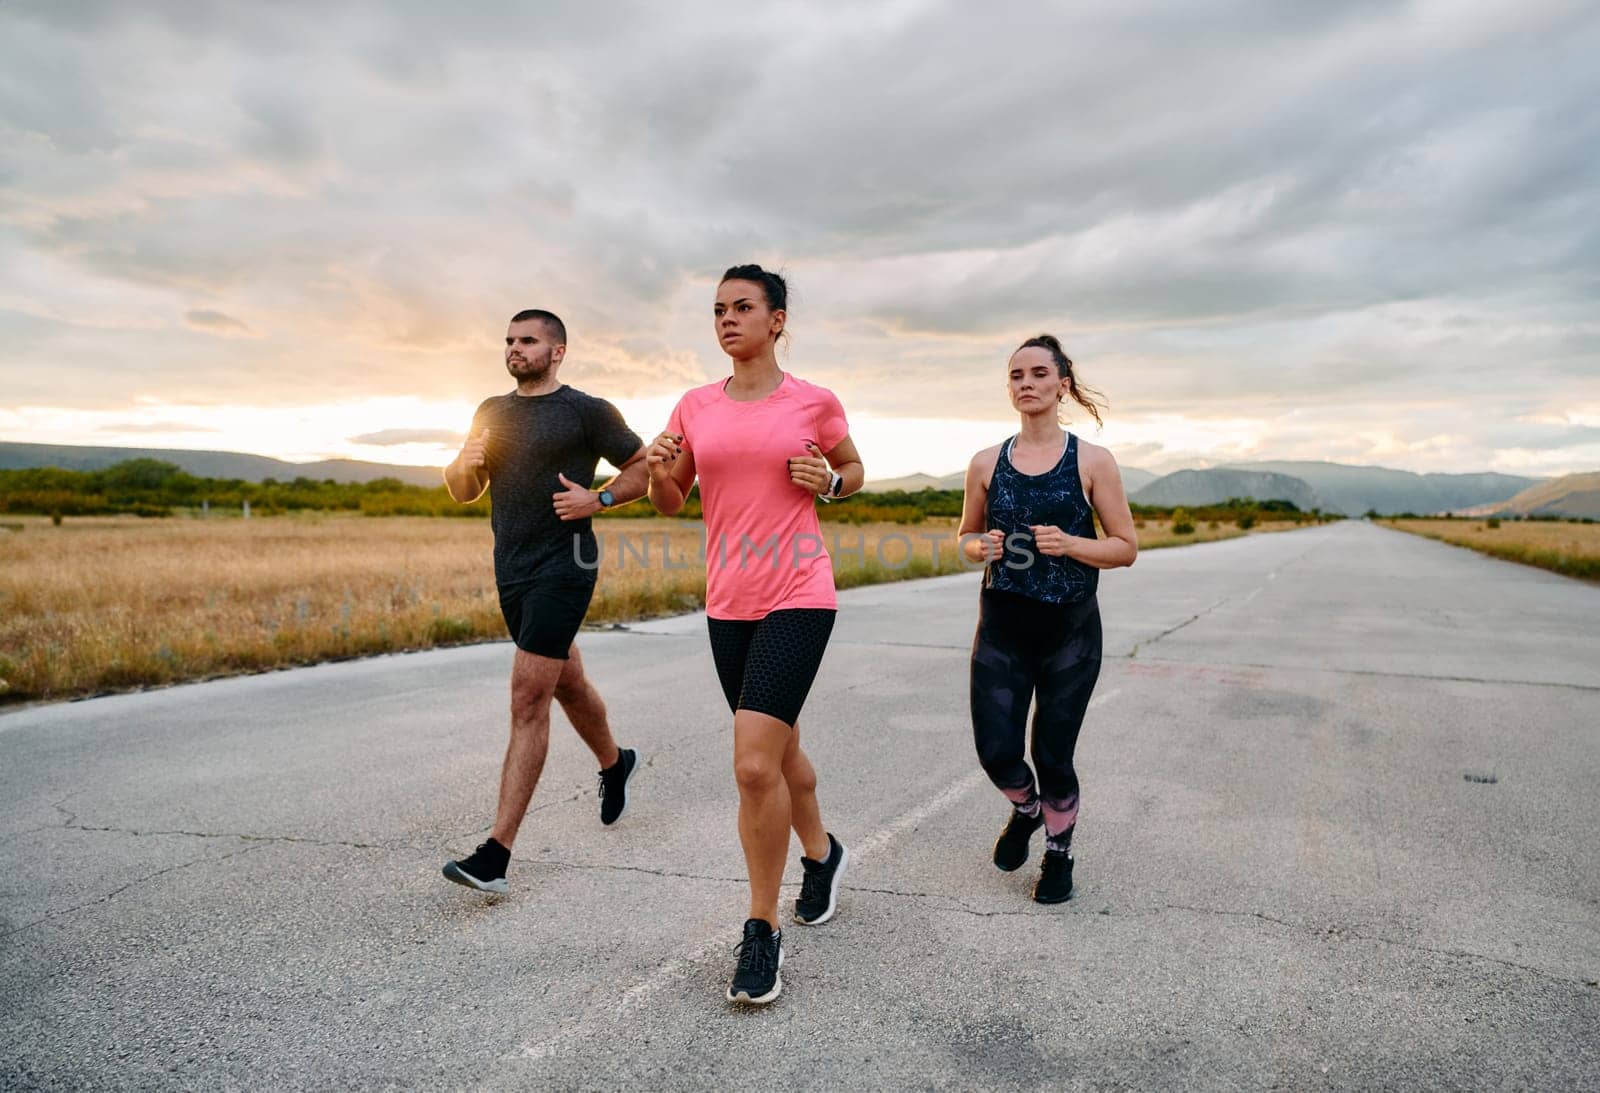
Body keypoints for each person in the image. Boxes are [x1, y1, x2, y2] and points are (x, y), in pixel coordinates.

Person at [646, 265, 863, 1005]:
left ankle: (761, 930)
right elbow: (671, 501)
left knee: (750, 765)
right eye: (718, 310)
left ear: (777, 320)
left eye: (743, 307)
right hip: (729, 602)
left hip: (801, 592)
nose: (727, 319)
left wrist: (827, 483)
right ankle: (822, 853)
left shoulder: (813, 400)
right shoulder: (694, 406)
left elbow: (853, 469)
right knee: (780, 750)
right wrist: (657, 471)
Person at [439, 309, 651, 895]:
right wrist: (465, 462)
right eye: (509, 340)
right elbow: (463, 490)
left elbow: (642, 468)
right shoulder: (491, 411)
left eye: (527, 341)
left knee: (527, 695)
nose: (515, 349)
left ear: (557, 351)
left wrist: (599, 499)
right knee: (565, 681)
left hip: (567, 565)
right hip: (512, 568)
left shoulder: (586, 410)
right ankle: (616, 762)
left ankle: (496, 854)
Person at [956, 334, 1137, 904]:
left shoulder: (1093, 461)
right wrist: (974, 548)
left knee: (1054, 755)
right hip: (1003, 625)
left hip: (1070, 631)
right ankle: (1028, 811)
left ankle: (1059, 857)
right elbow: (965, 535)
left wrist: (1073, 545)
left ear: (1062, 385)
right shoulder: (987, 463)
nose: (1026, 384)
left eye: (1038, 373)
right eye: (1016, 376)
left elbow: (1125, 546)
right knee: (997, 752)